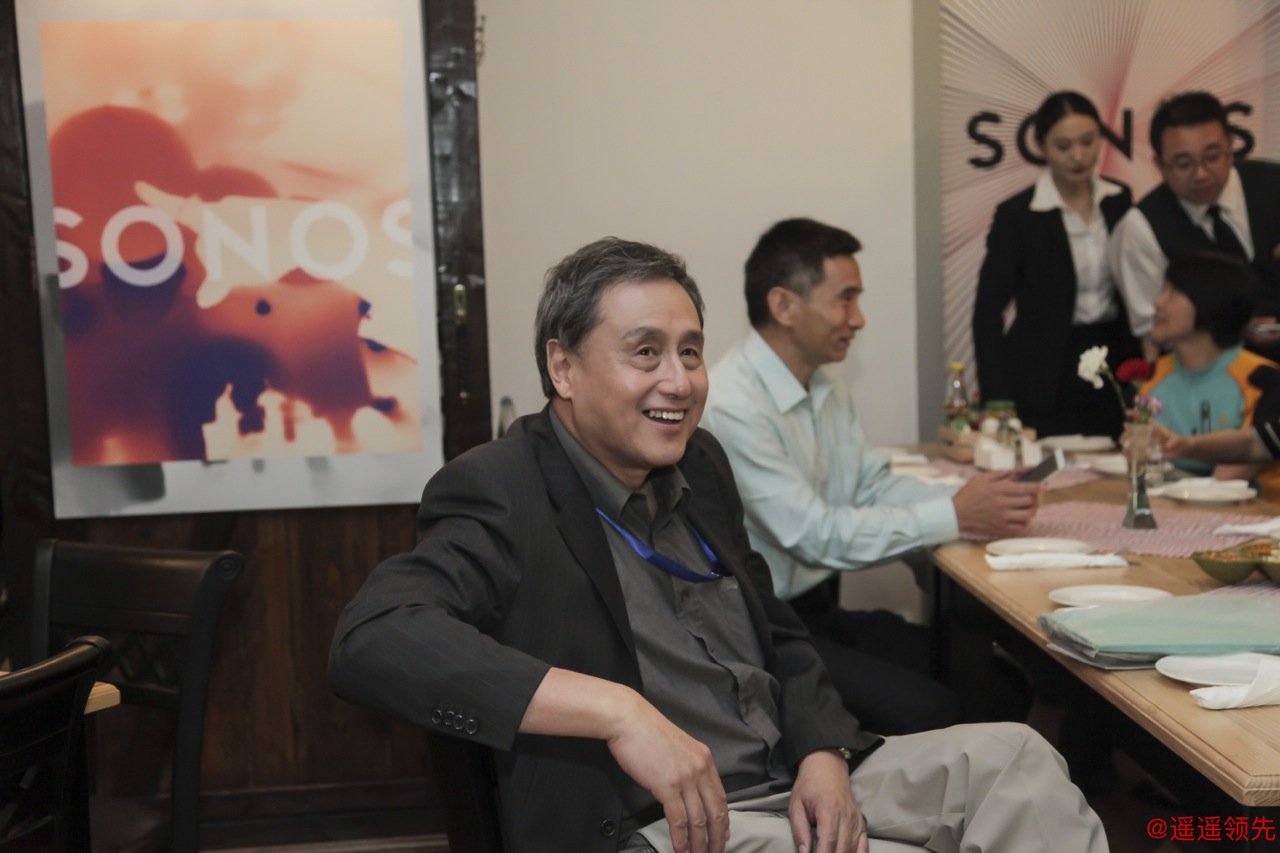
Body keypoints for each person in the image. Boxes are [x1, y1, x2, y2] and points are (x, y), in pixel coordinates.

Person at [328, 237, 1108, 853]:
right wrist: (617, 712)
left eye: (691, 351)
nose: (680, 381)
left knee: (1019, 757)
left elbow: (779, 631)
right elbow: (372, 638)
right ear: (562, 366)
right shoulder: (503, 485)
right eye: (645, 352)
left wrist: (823, 749)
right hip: (662, 821)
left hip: (788, 775)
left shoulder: (698, 462)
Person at [700, 218, 1041, 736]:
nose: (858, 319)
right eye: (846, 299)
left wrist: (977, 499)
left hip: (819, 611)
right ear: (784, 305)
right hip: (764, 629)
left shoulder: (824, 386)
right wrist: (954, 515)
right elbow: (814, 534)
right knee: (936, 707)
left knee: (999, 683)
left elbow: (870, 484)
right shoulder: (734, 406)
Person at [972, 91, 1139, 439]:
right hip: (1043, 368)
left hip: (1112, 360)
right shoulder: (1019, 216)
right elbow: (987, 312)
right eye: (1063, 146)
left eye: (1088, 142)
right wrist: (998, 400)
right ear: (1041, 147)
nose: (1078, 156)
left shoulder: (1119, 200)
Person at [1109, 90, 1280, 361]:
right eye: (1184, 164)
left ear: (1231, 147)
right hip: (1209, 373)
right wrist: (1239, 332)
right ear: (1160, 165)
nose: (1201, 174)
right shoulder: (1140, 229)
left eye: (1212, 157)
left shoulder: (1273, 185)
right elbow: (1153, 329)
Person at [1138, 251, 1280, 490]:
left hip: (1246, 505)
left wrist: (1184, 446)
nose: (1157, 302)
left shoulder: (1263, 378)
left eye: (1175, 292)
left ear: (1212, 302)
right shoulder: (1153, 375)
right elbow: (1138, 459)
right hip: (1166, 499)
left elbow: (1243, 460)